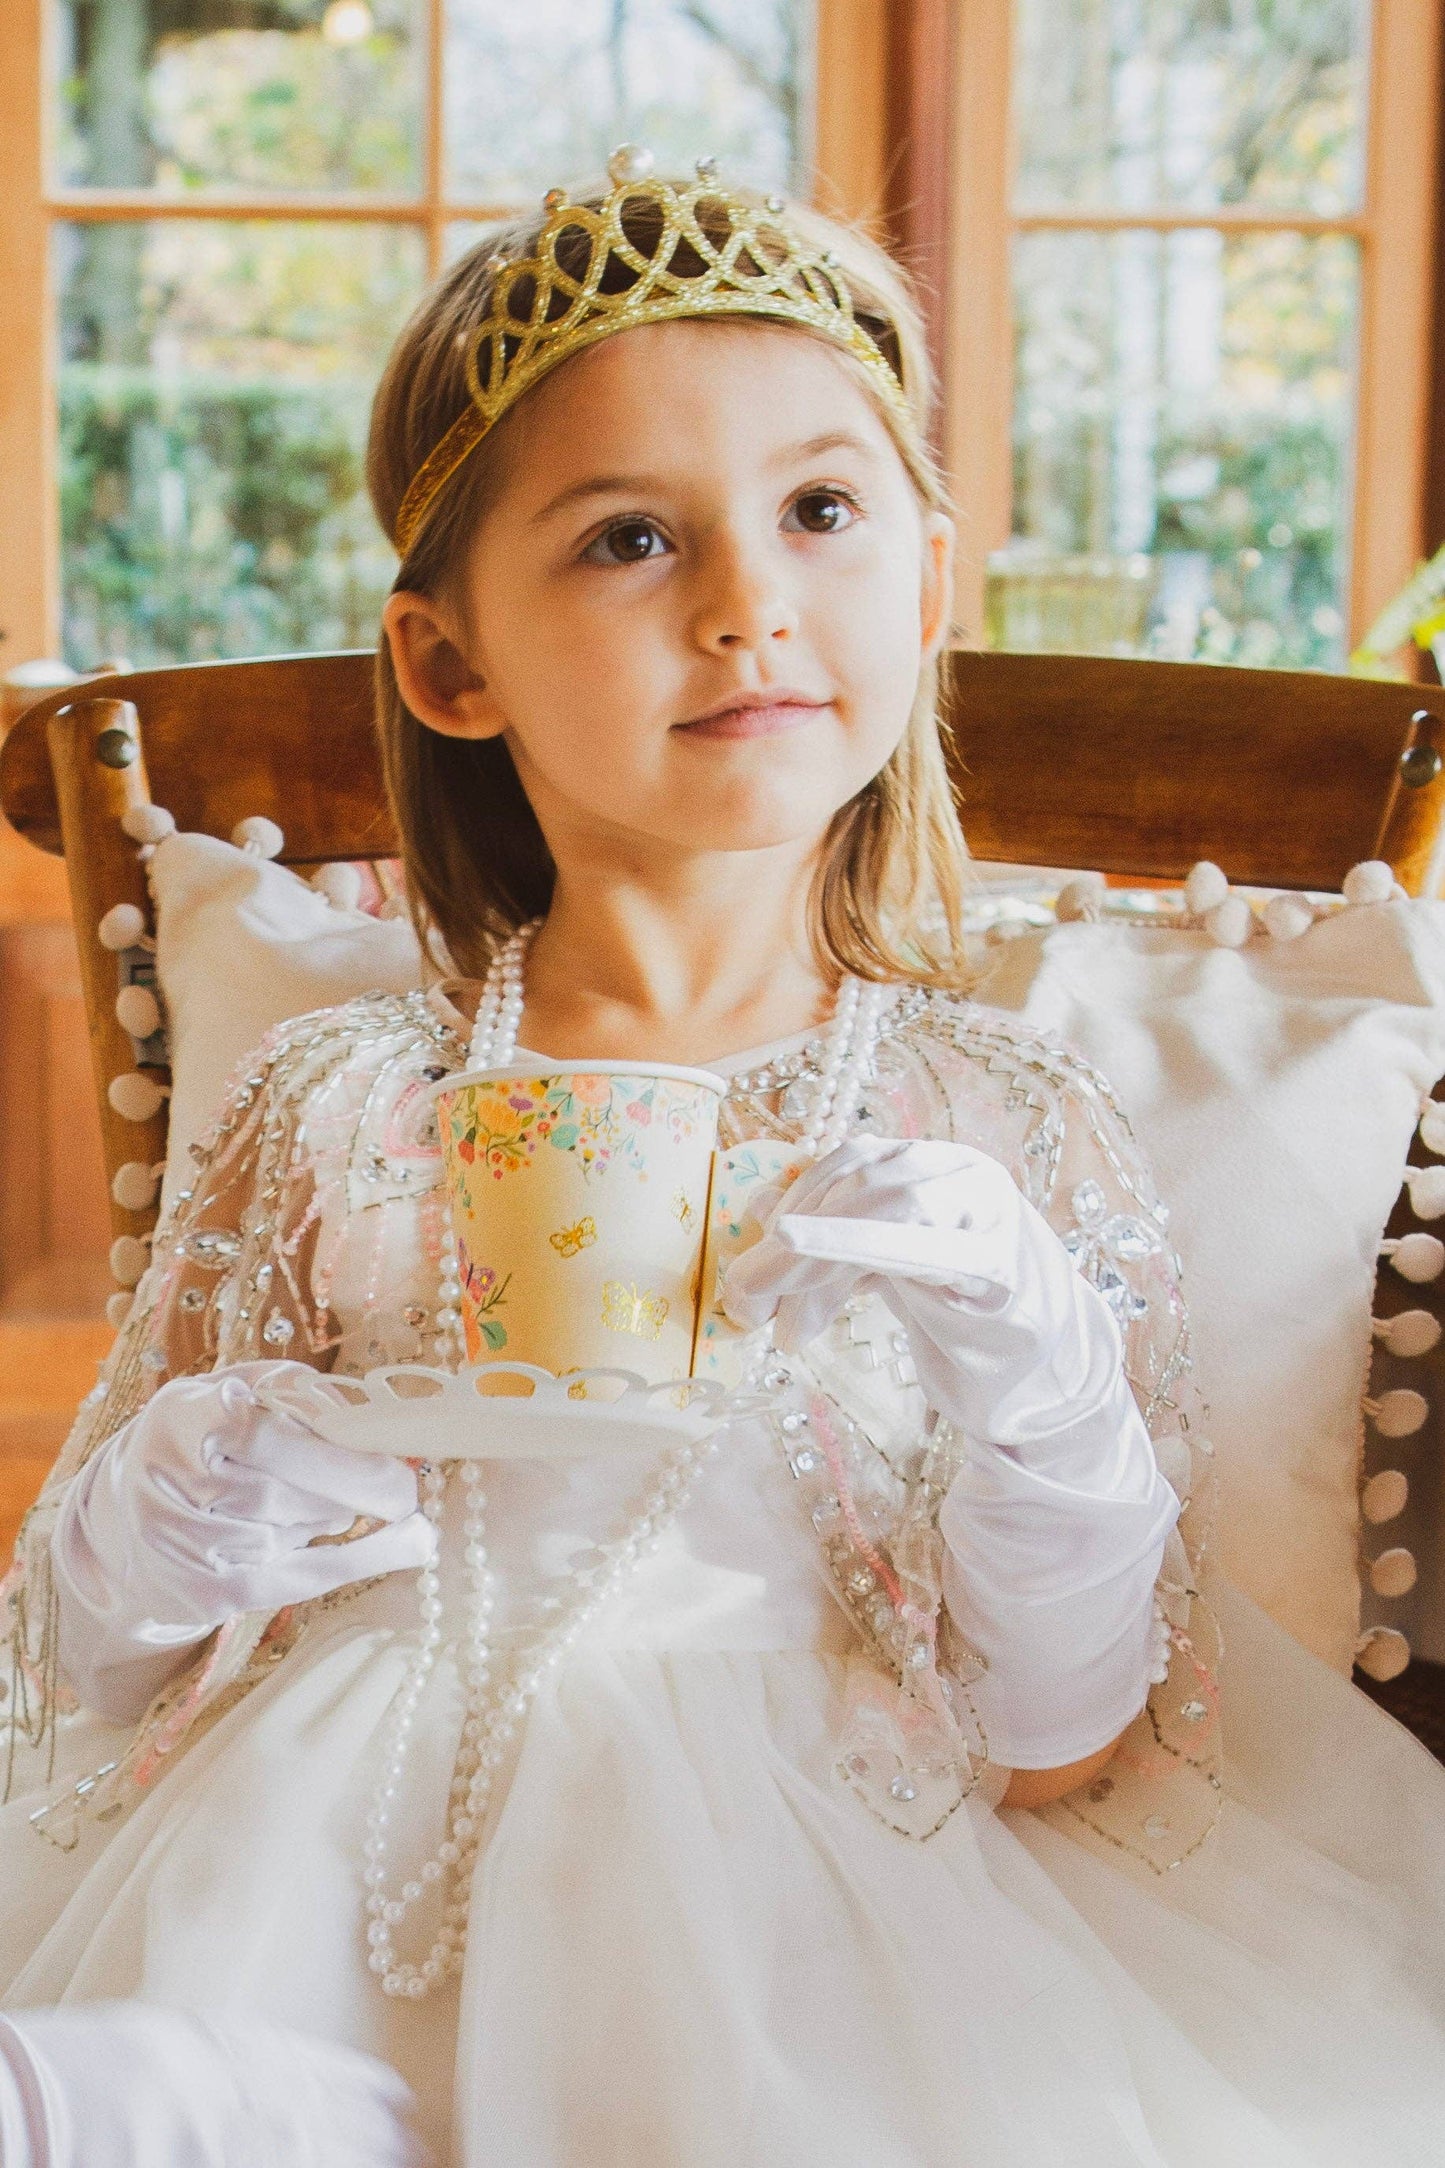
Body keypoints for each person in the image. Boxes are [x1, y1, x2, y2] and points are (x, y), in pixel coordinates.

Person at [2, 149, 1444, 2167]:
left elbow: (1068, 1754)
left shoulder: (999, 1125)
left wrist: (1041, 1397)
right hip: (313, 1882)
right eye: (628, 537)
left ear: (923, 587)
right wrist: (162, 1519)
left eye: (820, 511)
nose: (749, 601)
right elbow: (67, 1687)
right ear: (450, 664)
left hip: (833, 1922)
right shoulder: (335, 1102)